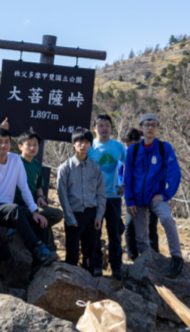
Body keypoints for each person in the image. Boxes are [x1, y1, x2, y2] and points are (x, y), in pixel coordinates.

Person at [0, 129, 58, 267]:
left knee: (39, 223)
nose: (3, 145)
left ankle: (39, 266)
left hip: (8, 211)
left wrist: (35, 212)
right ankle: (38, 247)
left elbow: (24, 187)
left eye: (6, 142)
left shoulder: (15, 160)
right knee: (14, 209)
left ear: (10, 144)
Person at [124, 114, 184, 278]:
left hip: (156, 196)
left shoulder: (165, 148)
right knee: (140, 236)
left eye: (154, 124)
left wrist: (166, 194)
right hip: (137, 198)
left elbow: (174, 173)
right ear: (141, 128)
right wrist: (129, 200)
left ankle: (177, 257)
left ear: (157, 128)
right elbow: (127, 176)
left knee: (166, 219)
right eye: (147, 124)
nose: (150, 127)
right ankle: (147, 263)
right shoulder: (133, 150)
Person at [57, 128, 107, 275]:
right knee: (72, 253)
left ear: (90, 145)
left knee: (89, 253)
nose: (83, 145)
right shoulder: (64, 168)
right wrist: (69, 217)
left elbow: (101, 194)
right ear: (73, 143)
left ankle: (89, 284)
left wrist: (99, 216)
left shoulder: (95, 168)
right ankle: (70, 284)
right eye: (79, 141)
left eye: (86, 142)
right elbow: (62, 196)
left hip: (91, 215)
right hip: (74, 214)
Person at [88, 114, 128, 277]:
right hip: (94, 196)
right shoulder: (90, 147)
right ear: (95, 128)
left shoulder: (119, 147)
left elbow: (129, 166)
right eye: (101, 125)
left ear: (111, 128)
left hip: (113, 197)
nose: (104, 128)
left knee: (115, 234)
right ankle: (96, 265)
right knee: (95, 233)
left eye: (107, 125)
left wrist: (124, 183)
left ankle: (116, 267)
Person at [16, 131, 64, 251]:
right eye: (29, 144)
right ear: (20, 146)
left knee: (56, 214)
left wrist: (40, 197)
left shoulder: (37, 164)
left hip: (33, 204)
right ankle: (50, 249)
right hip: (19, 205)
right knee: (47, 218)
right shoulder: (15, 162)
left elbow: (39, 186)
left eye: (35, 144)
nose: (33, 147)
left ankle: (47, 248)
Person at [121, 128, 158, 259]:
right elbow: (122, 173)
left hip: (152, 196)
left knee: (151, 227)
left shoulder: (151, 150)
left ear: (138, 141)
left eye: (130, 144)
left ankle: (154, 256)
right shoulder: (127, 153)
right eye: (126, 145)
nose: (128, 148)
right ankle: (133, 256)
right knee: (129, 226)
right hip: (132, 197)